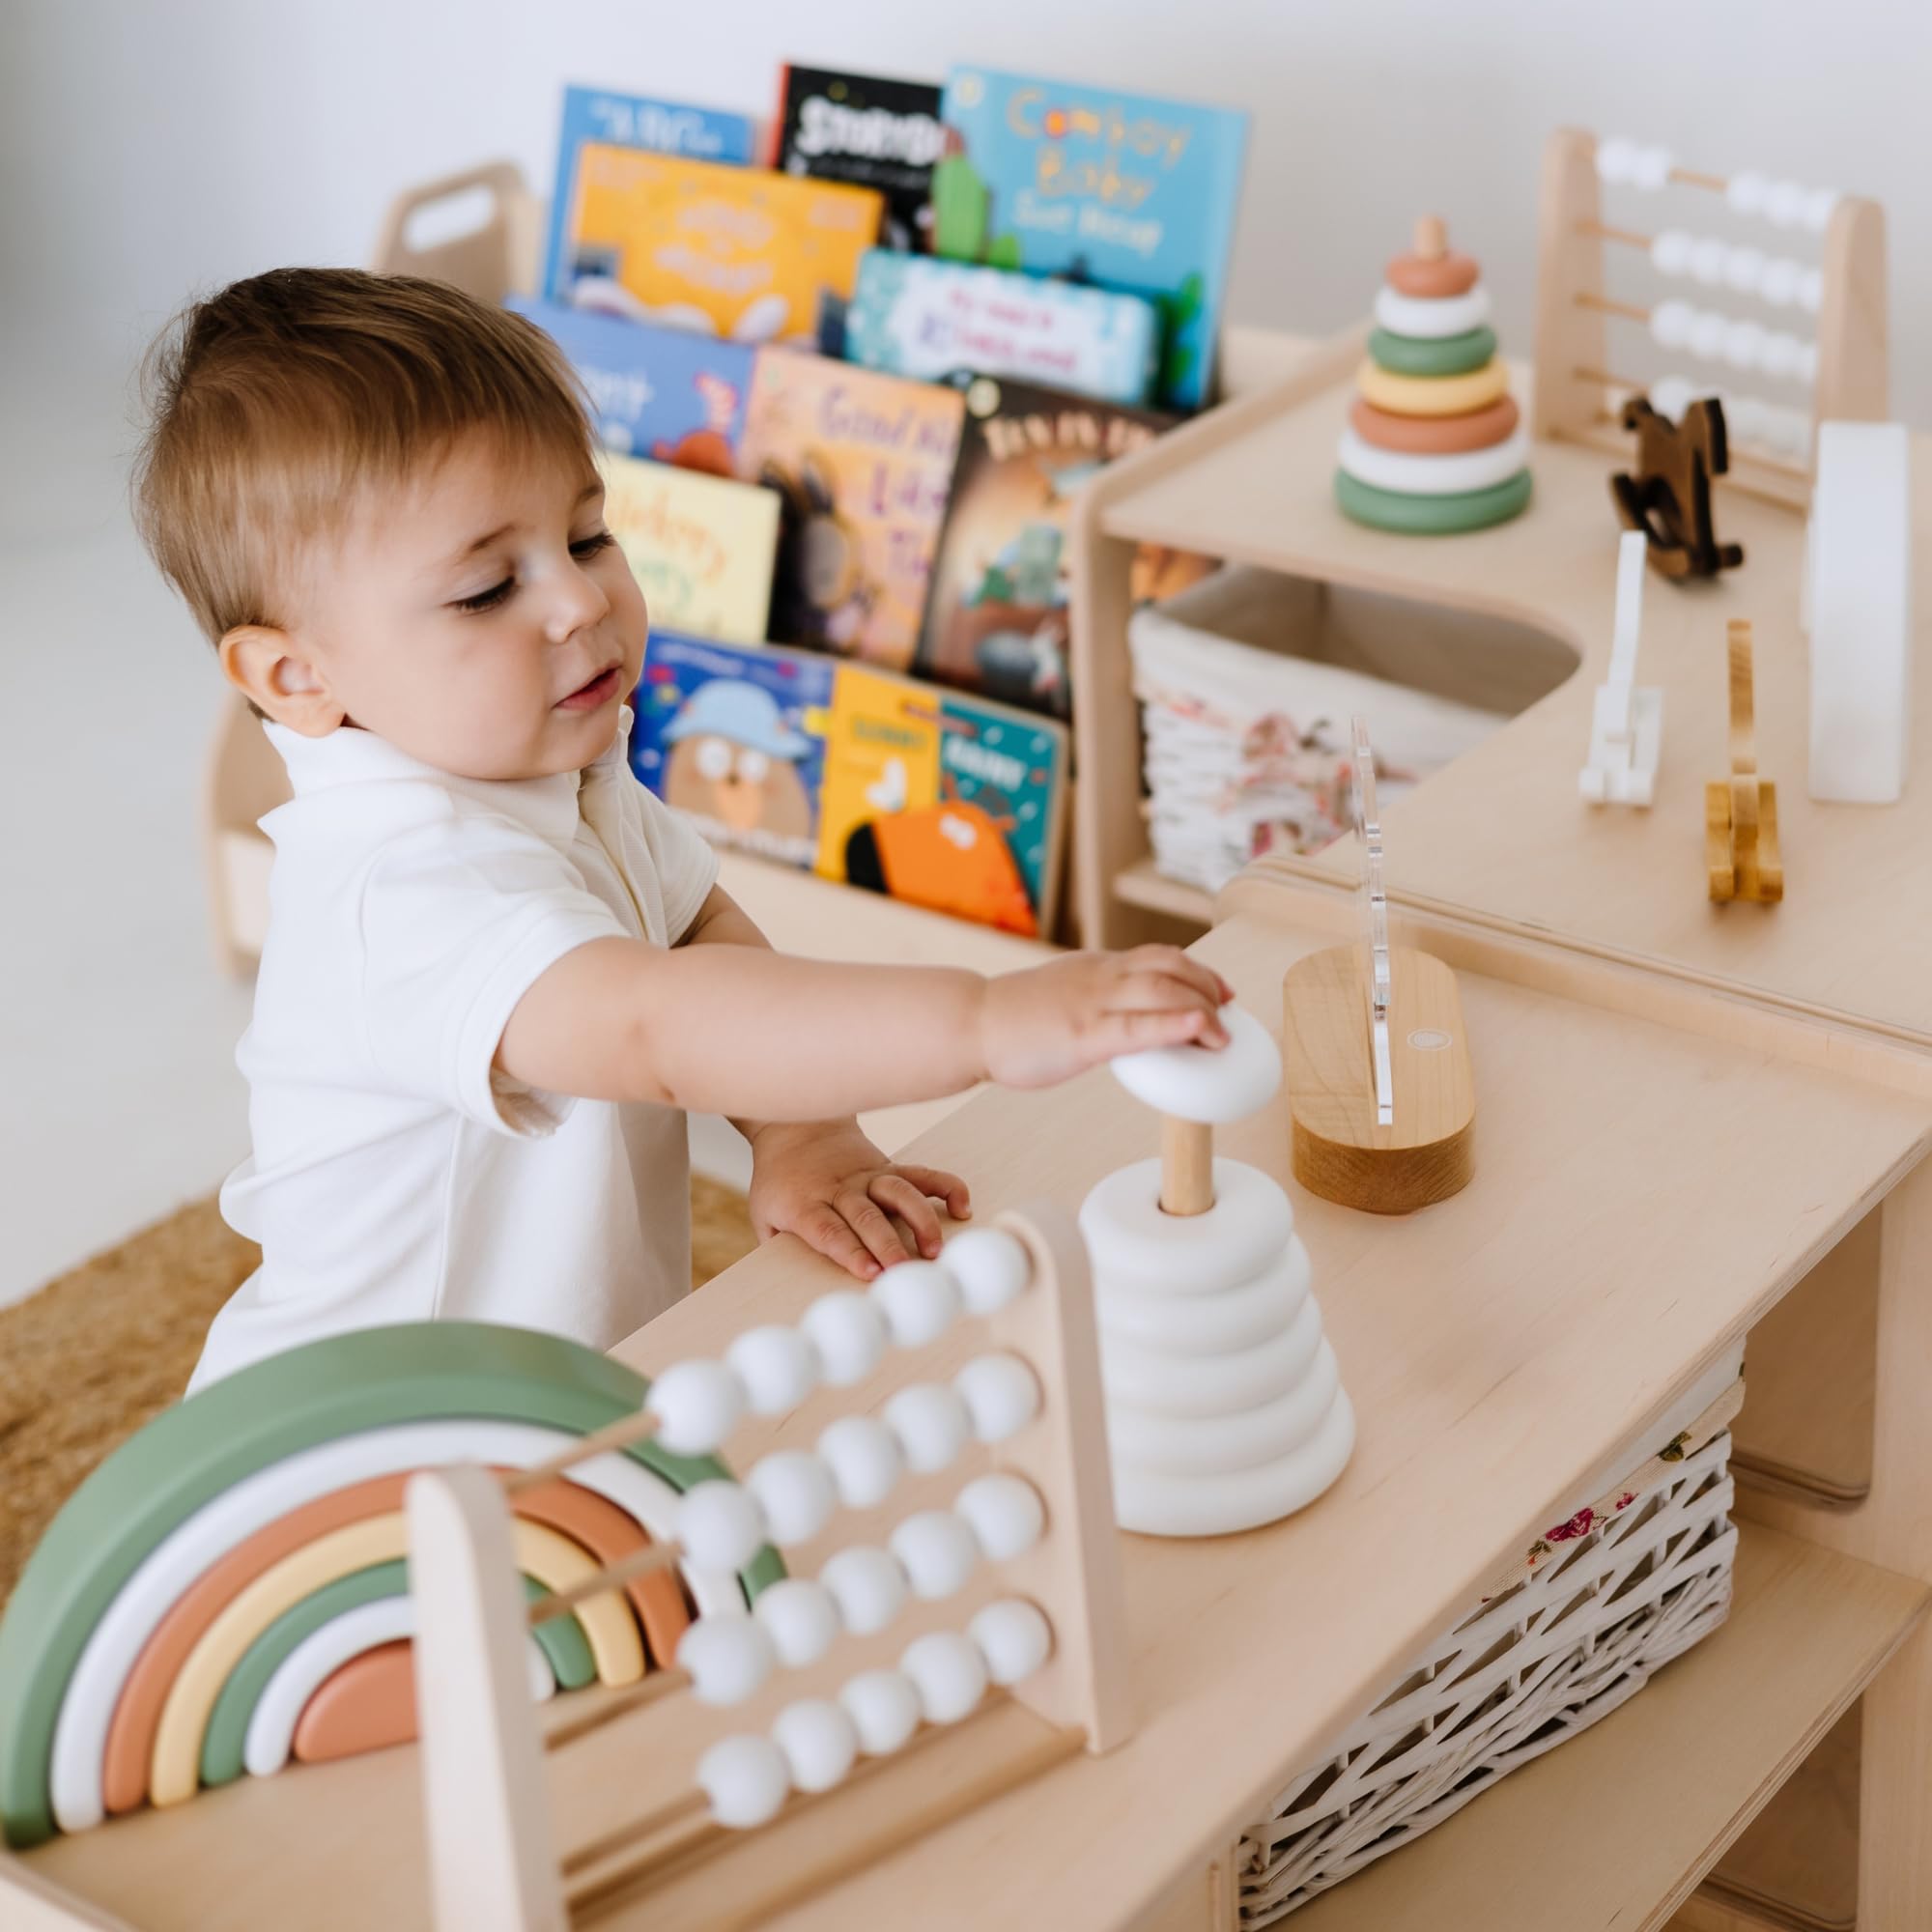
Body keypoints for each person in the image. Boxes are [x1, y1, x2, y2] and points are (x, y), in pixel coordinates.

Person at [133, 269, 1231, 1390]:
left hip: (549, 1400)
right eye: (483, 590)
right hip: (368, 1452)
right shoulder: (400, 883)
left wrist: (800, 1131)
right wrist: (985, 1021)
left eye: (588, 534)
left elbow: (692, 922)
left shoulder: (559, 761)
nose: (578, 601)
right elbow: (652, 1027)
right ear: (296, 674)